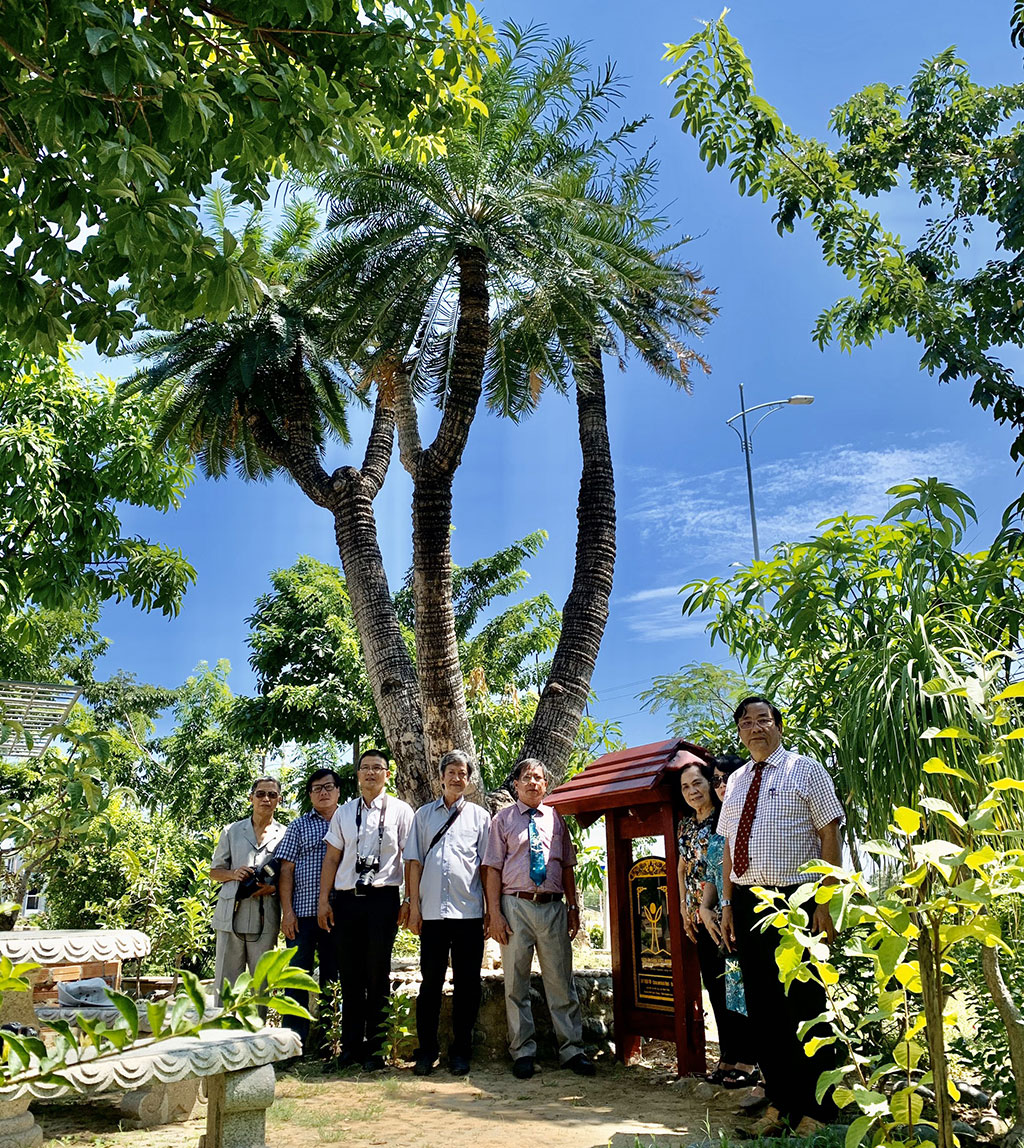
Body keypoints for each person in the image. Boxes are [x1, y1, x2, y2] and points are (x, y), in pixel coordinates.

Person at [718, 697, 845, 1137]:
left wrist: (824, 904)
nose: (755, 728)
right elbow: (729, 849)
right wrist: (729, 904)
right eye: (746, 722)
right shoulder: (734, 781)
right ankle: (779, 1104)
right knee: (764, 1009)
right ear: (739, 731)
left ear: (778, 726)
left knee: (805, 1006)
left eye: (763, 719)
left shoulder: (804, 769)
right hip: (751, 903)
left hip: (798, 901)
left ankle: (817, 1111)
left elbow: (830, 830)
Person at [483, 757, 595, 1080]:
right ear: (516, 784)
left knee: (561, 980)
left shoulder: (557, 820)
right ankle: (523, 1051)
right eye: (527, 778)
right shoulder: (502, 821)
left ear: (546, 785)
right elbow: (492, 868)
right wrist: (495, 915)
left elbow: (568, 866)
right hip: (514, 906)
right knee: (515, 983)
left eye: (539, 778)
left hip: (552, 907)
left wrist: (573, 908)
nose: (533, 783)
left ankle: (572, 1049)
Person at [317, 749, 413, 1071]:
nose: (371, 773)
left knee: (377, 973)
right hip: (346, 901)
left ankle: (375, 1050)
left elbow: (410, 859)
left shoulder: (401, 811)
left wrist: (408, 900)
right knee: (350, 976)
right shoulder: (344, 813)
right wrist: (323, 900)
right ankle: (350, 1049)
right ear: (357, 775)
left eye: (377, 768)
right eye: (365, 768)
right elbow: (331, 859)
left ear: (388, 774)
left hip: (383, 899)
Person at [405, 749, 491, 1077]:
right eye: (451, 772)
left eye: (463, 773)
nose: (457, 778)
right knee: (430, 985)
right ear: (440, 776)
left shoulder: (480, 818)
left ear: (469, 781)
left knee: (468, 985)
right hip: (432, 915)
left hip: (469, 913)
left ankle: (461, 1052)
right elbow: (414, 862)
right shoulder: (423, 815)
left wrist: (489, 910)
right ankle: (426, 1051)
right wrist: (413, 906)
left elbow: (486, 868)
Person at [674, 751, 757, 1088]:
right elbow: (682, 866)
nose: (693, 791)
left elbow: (721, 868)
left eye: (698, 783)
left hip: (726, 914)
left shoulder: (724, 818)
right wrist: (683, 906)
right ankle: (726, 1054)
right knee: (716, 987)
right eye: (685, 787)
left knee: (736, 987)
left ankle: (747, 1058)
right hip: (698, 915)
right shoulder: (685, 823)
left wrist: (716, 907)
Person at [276, 767, 343, 1053]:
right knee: (296, 979)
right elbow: (286, 870)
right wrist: (287, 912)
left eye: (328, 787)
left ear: (339, 791)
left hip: (338, 914)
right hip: (301, 915)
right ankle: (292, 1044)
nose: (323, 792)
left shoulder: (350, 821)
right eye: (317, 789)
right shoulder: (299, 826)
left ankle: (332, 1042)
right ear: (310, 795)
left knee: (334, 977)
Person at [210, 776, 286, 1005]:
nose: (266, 799)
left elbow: (288, 876)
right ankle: (223, 1036)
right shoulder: (231, 831)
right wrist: (234, 874)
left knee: (260, 984)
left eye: (272, 795)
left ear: (279, 800)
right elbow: (215, 872)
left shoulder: (286, 834)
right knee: (226, 983)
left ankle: (256, 1038)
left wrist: (271, 888)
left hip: (265, 917)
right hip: (231, 913)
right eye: (261, 794)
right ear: (251, 798)